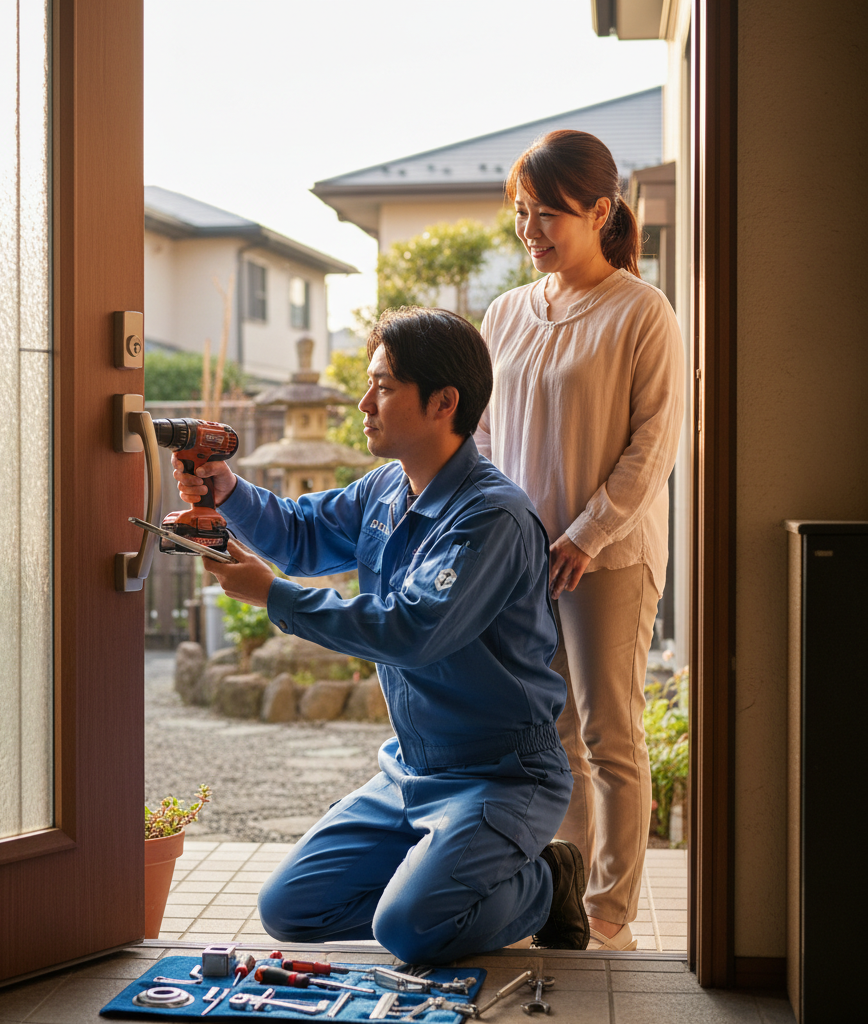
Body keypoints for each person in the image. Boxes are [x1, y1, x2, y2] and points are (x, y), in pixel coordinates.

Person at [172, 307, 588, 964]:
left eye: (385, 386)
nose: (364, 403)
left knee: (408, 931)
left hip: (500, 777)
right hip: (411, 771)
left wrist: (272, 595)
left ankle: (544, 883)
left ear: (443, 403)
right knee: (291, 909)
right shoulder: (386, 490)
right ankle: (435, 892)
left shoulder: (492, 518)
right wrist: (225, 492)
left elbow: (409, 630)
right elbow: (302, 534)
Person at [474, 130, 685, 952]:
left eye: (550, 214)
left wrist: (586, 535)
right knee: (547, 733)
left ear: (600, 211)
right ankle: (560, 903)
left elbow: (654, 445)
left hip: (610, 560)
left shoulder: (642, 309)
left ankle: (611, 914)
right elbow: (484, 436)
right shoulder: (505, 312)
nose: (532, 230)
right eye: (523, 213)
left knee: (610, 734)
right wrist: (507, 534)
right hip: (524, 558)